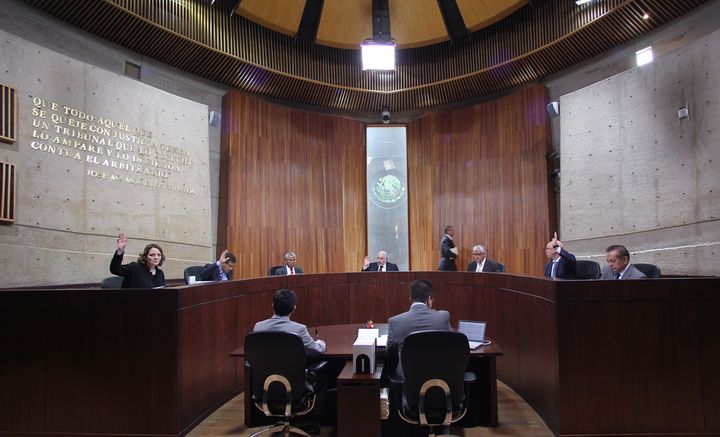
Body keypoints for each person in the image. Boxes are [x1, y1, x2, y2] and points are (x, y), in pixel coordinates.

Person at [386, 280, 452, 378]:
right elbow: (453, 345)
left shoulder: (395, 321)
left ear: (410, 298)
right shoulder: (443, 317)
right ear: (429, 299)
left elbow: (390, 352)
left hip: (408, 380)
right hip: (438, 379)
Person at [253, 288, 326, 356]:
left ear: (273, 306)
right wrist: (320, 343)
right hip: (292, 366)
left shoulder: (258, 327)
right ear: (294, 308)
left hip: (265, 366)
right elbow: (317, 350)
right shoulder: (299, 329)